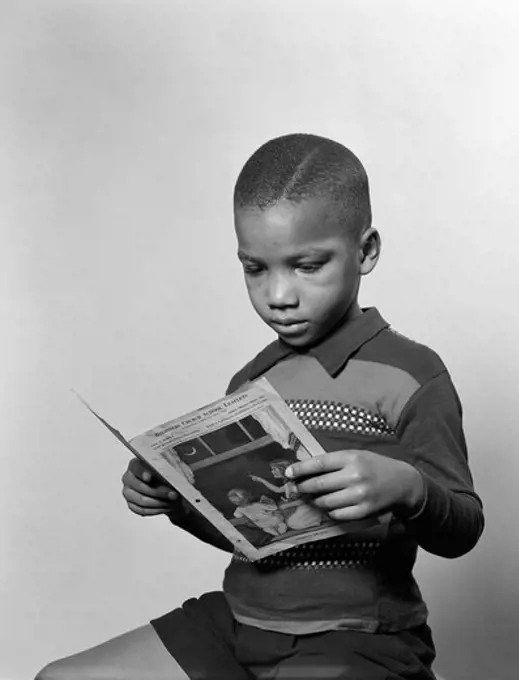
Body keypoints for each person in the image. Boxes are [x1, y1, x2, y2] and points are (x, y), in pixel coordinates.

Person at [36, 133, 484, 679]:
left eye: (307, 266)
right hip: (242, 623)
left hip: (356, 639)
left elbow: (464, 528)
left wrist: (408, 488)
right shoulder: (252, 381)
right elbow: (248, 533)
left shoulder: (412, 374)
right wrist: (177, 499)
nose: (279, 295)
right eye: (256, 269)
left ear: (365, 251)